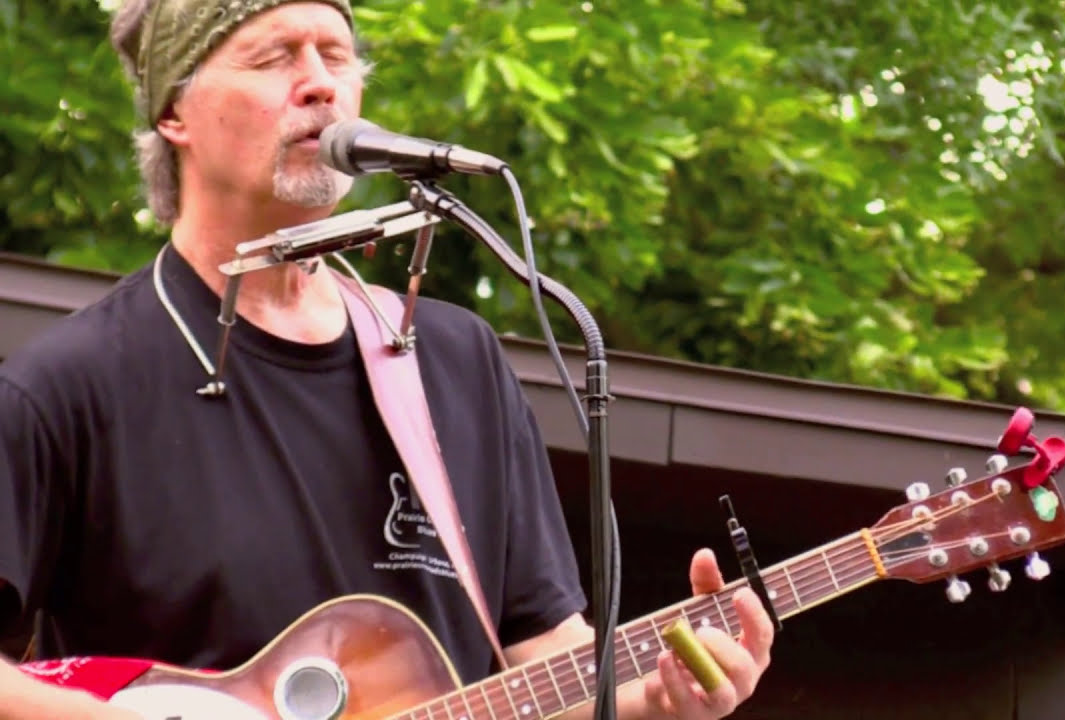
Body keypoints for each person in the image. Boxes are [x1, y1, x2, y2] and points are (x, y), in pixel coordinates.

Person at [0, 1, 774, 719]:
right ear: (174, 111)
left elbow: (543, 657)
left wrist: (655, 700)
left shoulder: (456, 360)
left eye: (337, 55)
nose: (321, 85)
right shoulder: (68, 386)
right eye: (275, 58)